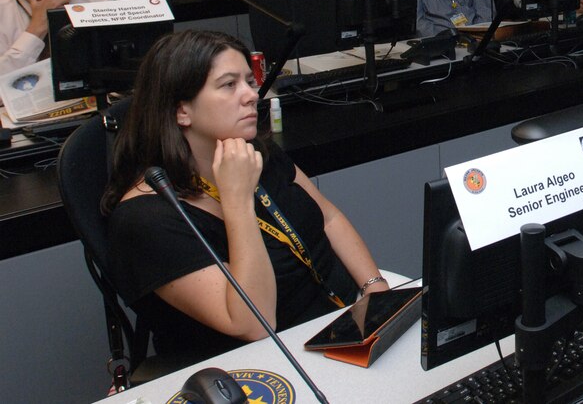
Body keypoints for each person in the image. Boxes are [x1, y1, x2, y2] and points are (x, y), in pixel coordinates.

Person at [102, 30, 388, 366]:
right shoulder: (145, 219)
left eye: (249, 83)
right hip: (262, 363)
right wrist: (236, 199)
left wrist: (376, 290)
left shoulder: (257, 153)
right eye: (228, 85)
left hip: (341, 322)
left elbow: (329, 218)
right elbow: (254, 323)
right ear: (182, 111)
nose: (251, 95)